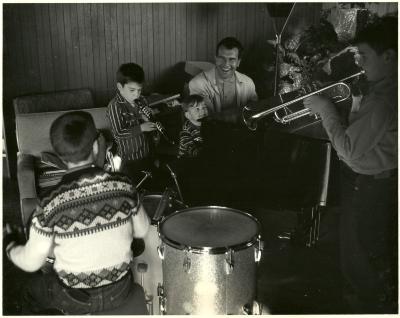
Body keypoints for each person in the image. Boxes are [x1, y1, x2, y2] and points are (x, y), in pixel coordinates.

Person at [4, 111, 150, 314]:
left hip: (74, 298)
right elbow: (143, 231)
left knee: (27, 291)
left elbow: (31, 263)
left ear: (58, 157)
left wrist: (10, 245)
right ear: (96, 146)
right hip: (120, 291)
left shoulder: (49, 203)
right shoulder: (124, 185)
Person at [303, 16, 397, 313]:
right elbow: (371, 132)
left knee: (358, 260)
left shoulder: (384, 98)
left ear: (389, 56)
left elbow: (349, 151)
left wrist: (326, 109)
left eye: (364, 56)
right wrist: (356, 102)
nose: (360, 64)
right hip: (381, 180)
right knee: (371, 253)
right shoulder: (384, 88)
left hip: (368, 183)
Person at [106, 62, 157, 182]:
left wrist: (149, 117)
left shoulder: (142, 99)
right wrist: (141, 128)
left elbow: (149, 126)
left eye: (139, 90)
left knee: (150, 185)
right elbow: (118, 133)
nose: (136, 94)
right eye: (132, 90)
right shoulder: (115, 106)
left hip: (147, 154)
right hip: (129, 160)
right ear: (120, 87)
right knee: (134, 188)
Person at [189, 37, 258, 123]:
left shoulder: (248, 83)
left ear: (238, 62)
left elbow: (254, 113)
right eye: (222, 58)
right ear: (216, 58)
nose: (226, 64)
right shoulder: (197, 84)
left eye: (232, 59)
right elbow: (208, 119)